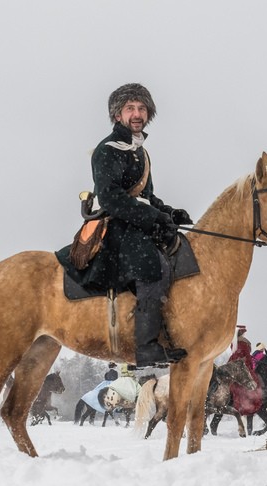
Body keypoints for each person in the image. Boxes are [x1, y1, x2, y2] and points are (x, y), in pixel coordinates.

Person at [56, 83, 192, 369]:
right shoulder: (107, 149)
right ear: (117, 115)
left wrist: (168, 212)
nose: (137, 113)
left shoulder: (141, 152)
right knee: (152, 268)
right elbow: (111, 198)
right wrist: (153, 218)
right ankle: (146, 347)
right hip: (118, 224)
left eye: (142, 108)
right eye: (130, 108)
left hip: (137, 222)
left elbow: (146, 196)